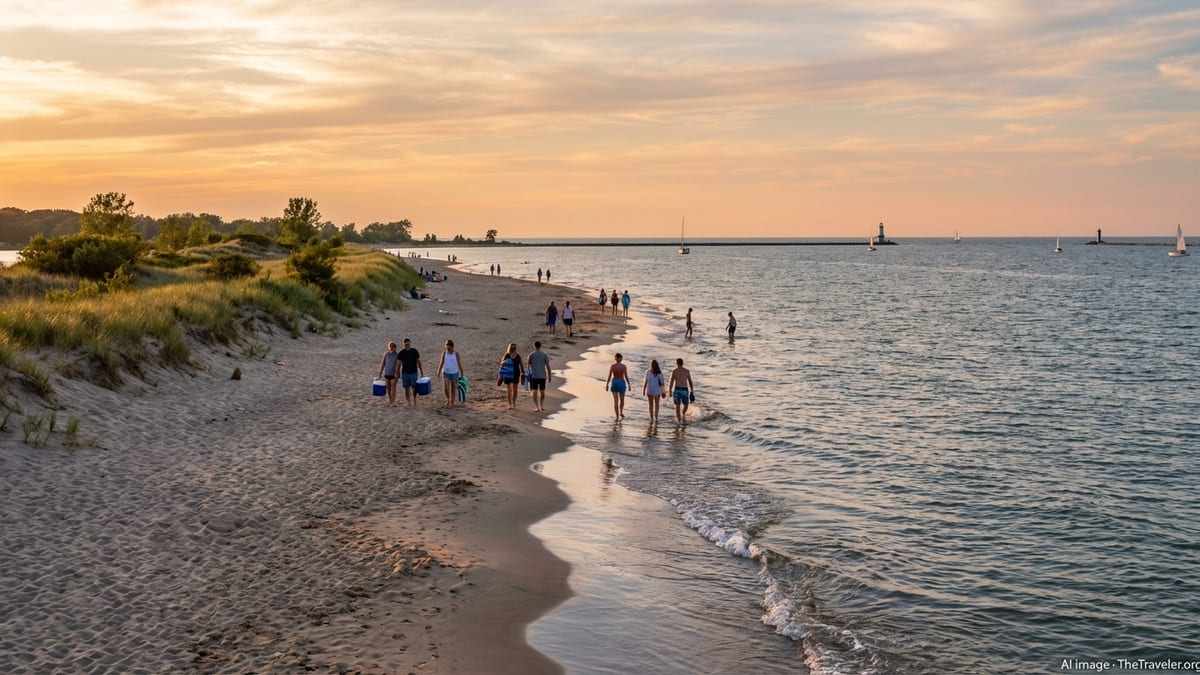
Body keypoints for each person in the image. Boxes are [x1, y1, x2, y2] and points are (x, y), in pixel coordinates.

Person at [436, 339, 465, 408]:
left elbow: (459, 363)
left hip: (455, 373)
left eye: (449, 348)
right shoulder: (444, 353)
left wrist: (462, 373)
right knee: (446, 387)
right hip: (446, 373)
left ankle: (452, 401)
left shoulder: (456, 354)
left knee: (453, 388)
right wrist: (439, 371)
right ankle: (448, 399)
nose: (447, 349)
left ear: (452, 347)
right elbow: (441, 362)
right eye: (446, 347)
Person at [527, 341, 552, 412]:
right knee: (542, 392)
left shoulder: (531, 355)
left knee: (534, 391)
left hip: (534, 376)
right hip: (542, 376)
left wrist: (527, 376)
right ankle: (541, 405)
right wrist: (549, 376)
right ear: (540, 346)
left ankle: (537, 407)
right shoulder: (544, 354)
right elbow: (548, 366)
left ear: (534, 346)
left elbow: (528, 367)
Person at [398, 338, 423, 407]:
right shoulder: (401, 352)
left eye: (408, 343)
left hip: (413, 372)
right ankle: (408, 402)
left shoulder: (414, 351)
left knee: (414, 387)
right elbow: (399, 363)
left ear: (410, 343)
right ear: (403, 344)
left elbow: (418, 361)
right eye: (405, 343)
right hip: (405, 372)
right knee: (406, 388)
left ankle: (414, 400)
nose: (407, 345)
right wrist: (397, 372)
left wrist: (421, 371)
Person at [605, 353, 631, 419]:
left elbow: (609, 376)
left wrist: (607, 384)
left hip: (614, 382)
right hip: (621, 382)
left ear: (615, 358)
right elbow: (626, 376)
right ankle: (621, 412)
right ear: (621, 359)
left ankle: (617, 416)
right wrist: (629, 384)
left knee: (616, 401)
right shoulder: (623, 366)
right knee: (622, 400)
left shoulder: (613, 366)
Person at [669, 357, 694, 424]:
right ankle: (683, 413)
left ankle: (679, 421)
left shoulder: (674, 371)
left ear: (677, 363)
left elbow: (671, 382)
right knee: (686, 405)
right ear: (682, 363)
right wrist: (692, 391)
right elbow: (690, 382)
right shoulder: (687, 371)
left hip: (677, 390)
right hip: (684, 389)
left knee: (678, 405)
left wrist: (670, 391)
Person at [498, 342, 523, 410]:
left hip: (508, 373)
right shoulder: (517, 356)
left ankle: (510, 404)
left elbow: (501, 363)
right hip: (514, 373)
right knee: (514, 389)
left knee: (510, 390)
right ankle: (512, 403)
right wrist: (523, 373)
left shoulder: (507, 355)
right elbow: (521, 365)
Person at [642, 359, 666, 424]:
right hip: (657, 391)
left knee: (650, 404)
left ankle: (651, 417)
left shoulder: (648, 372)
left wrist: (643, 390)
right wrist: (664, 392)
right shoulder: (660, 373)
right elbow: (662, 384)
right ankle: (656, 417)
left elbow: (646, 382)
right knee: (657, 404)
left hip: (650, 390)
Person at [377, 341, 400, 406]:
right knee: (388, 388)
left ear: (395, 348)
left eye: (393, 347)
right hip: (387, 373)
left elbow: (399, 365)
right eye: (390, 347)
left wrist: (397, 373)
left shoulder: (397, 355)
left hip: (394, 374)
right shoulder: (386, 354)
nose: (391, 348)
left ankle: (393, 402)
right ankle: (390, 400)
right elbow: (383, 364)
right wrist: (380, 373)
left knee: (393, 388)